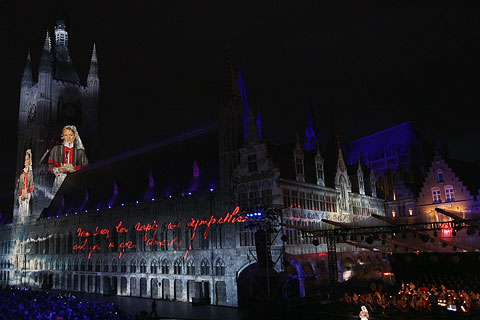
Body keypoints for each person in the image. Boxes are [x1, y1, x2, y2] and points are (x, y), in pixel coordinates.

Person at [48, 125, 88, 192]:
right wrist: (58, 169)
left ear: (75, 136)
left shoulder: (80, 151)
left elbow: (85, 168)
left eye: (71, 135)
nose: (68, 138)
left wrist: (75, 170)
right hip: (60, 181)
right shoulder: (56, 149)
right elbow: (50, 167)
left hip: (75, 180)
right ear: (63, 136)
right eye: (66, 135)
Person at [17, 149, 34, 221]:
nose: (28, 161)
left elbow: (32, 187)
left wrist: (28, 194)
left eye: (29, 159)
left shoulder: (32, 173)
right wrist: (22, 196)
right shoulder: (21, 174)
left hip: (29, 198)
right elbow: (19, 188)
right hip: (23, 198)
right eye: (26, 159)